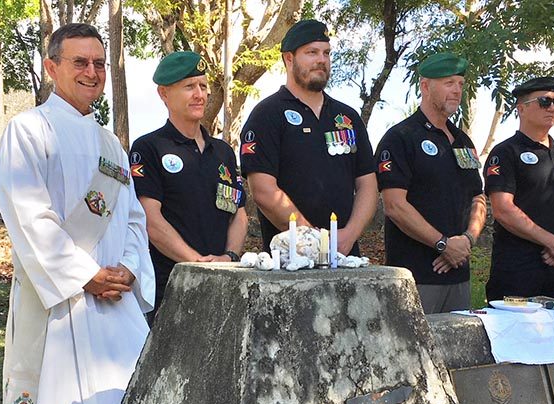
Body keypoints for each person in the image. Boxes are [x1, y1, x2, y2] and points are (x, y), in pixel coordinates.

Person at [0, 23, 155, 404]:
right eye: (80, 62)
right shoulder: (28, 131)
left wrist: (130, 269)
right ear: (51, 67)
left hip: (115, 307)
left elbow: (135, 218)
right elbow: (29, 218)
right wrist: (87, 275)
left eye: (100, 63)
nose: (93, 71)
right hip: (59, 306)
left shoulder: (112, 145)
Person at [129, 51, 247, 323]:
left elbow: (238, 213)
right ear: (164, 94)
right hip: (172, 287)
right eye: (189, 86)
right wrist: (197, 263)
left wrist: (229, 257)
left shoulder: (224, 152)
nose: (199, 94)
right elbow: (151, 220)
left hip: (224, 284)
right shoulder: (149, 148)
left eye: (203, 86)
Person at [240, 19, 377, 253]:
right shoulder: (267, 115)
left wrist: (350, 234)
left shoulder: (347, 116)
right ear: (289, 58)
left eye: (326, 53)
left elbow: (367, 184)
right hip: (289, 261)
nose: (321, 60)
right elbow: (263, 191)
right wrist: (314, 240)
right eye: (311, 52)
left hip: (345, 256)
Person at [375, 53, 486, 313]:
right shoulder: (400, 138)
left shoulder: (462, 141)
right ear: (425, 86)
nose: (457, 90)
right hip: (416, 277)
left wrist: (466, 241)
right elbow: (394, 206)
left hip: (459, 274)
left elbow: (478, 198)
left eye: (460, 83)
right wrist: (443, 244)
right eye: (449, 83)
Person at [483, 77, 554, 300]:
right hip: (517, 274)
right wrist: (551, 242)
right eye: (544, 102)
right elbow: (503, 209)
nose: (552, 108)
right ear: (521, 109)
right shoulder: (505, 153)